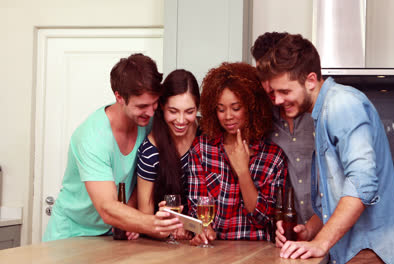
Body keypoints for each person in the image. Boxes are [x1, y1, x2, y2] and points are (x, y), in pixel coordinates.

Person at [257, 34, 394, 264]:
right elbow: (334, 200)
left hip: (370, 252)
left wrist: (321, 242)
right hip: (354, 253)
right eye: (274, 93)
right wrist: (309, 232)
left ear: (310, 80)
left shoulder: (342, 104)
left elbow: (362, 184)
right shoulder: (321, 115)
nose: (277, 101)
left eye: (285, 92)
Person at [43, 54, 183, 242]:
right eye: (142, 106)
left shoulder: (147, 122)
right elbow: (107, 207)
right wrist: (153, 223)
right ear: (119, 97)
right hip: (71, 234)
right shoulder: (92, 138)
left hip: (110, 235)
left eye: (154, 103)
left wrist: (132, 219)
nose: (151, 112)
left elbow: (138, 179)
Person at [187, 62, 287, 246]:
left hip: (258, 253)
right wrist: (203, 229)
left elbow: (263, 218)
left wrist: (243, 172)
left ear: (251, 107)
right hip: (213, 252)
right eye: (221, 109)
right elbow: (196, 208)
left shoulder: (273, 158)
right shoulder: (202, 149)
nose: (228, 116)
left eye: (236, 108)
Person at [251, 32, 316, 226]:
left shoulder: (317, 112)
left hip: (331, 231)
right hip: (290, 233)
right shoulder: (263, 118)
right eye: (262, 75)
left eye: (271, 75)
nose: (267, 85)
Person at [136, 69, 200, 240]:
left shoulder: (206, 138)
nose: (180, 120)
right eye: (173, 111)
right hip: (164, 243)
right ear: (162, 106)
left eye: (189, 111)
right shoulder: (150, 153)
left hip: (205, 239)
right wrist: (163, 223)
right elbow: (145, 217)